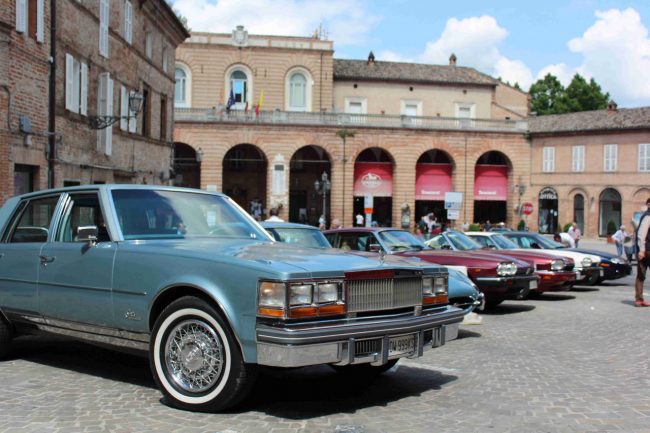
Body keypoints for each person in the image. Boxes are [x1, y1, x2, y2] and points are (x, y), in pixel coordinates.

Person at [634, 198, 650, 307]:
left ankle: (639, 299)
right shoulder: (648, 216)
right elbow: (641, 234)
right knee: (641, 275)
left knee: (641, 275)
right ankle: (639, 299)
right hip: (646, 250)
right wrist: (641, 250)